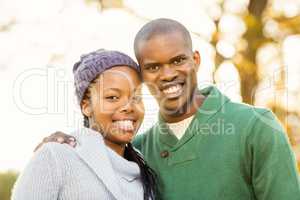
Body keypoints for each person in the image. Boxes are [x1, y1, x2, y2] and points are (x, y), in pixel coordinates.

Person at [35, 19, 300, 200]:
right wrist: (61, 142)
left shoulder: (256, 127)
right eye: (153, 67)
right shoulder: (136, 152)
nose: (168, 74)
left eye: (178, 60)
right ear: (142, 75)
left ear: (195, 60)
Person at [12, 50, 156, 200]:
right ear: (86, 106)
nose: (129, 107)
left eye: (137, 97)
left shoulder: (146, 170)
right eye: (112, 97)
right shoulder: (56, 156)